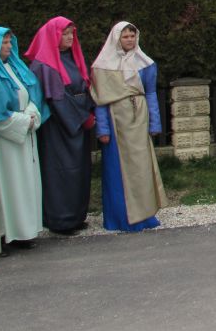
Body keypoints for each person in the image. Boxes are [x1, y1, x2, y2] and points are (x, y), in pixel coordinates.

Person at [0, 27, 46, 251]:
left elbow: (32, 93)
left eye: (9, 42)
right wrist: (25, 121)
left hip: (24, 133)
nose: (8, 46)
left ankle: (24, 231)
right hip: (4, 141)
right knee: (5, 185)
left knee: (24, 184)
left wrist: (32, 114)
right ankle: (3, 234)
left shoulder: (15, 67)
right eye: (3, 43)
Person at [91, 21, 168, 232]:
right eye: (125, 36)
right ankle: (121, 218)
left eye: (132, 36)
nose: (129, 40)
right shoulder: (102, 65)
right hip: (117, 124)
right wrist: (103, 129)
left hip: (139, 120)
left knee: (141, 169)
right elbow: (100, 99)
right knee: (118, 170)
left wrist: (155, 122)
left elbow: (151, 93)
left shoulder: (145, 63)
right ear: (117, 38)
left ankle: (145, 216)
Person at [26, 17, 95, 235]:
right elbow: (57, 98)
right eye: (65, 34)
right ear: (53, 36)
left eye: (71, 34)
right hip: (59, 126)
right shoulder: (44, 65)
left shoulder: (72, 58)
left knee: (79, 170)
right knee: (61, 171)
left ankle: (75, 215)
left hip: (77, 121)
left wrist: (88, 109)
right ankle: (60, 219)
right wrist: (82, 117)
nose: (69, 38)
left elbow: (82, 86)